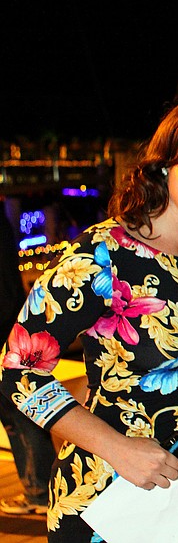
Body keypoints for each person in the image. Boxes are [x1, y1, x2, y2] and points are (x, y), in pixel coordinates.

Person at [0, 90, 178, 541]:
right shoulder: (105, 253)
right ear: (167, 163)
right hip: (108, 496)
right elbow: (16, 370)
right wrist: (119, 449)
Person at [0, 205, 57, 516]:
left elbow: (6, 290)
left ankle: (39, 490)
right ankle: (38, 489)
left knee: (20, 413)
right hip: (9, 330)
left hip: (6, 335)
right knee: (18, 414)